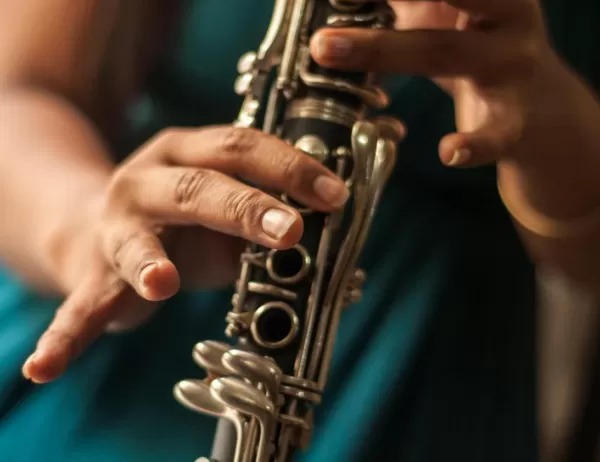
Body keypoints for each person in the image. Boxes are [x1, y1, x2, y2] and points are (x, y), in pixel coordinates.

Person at [0, 0, 598, 461]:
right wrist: (88, 229)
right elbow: (19, 90)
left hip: (433, 378)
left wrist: (550, 131)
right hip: (129, 334)